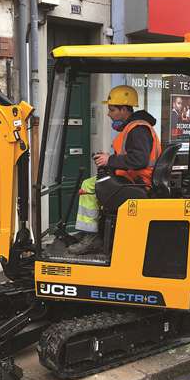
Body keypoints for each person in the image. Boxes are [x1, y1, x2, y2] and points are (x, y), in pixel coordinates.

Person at [68, 85, 161, 256]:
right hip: (135, 179)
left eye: (112, 110)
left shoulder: (138, 129)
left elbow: (139, 160)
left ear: (124, 109)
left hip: (139, 182)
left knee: (89, 186)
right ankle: (92, 231)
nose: (108, 114)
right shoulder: (135, 127)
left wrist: (109, 160)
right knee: (92, 182)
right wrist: (108, 159)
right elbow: (132, 156)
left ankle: (91, 236)